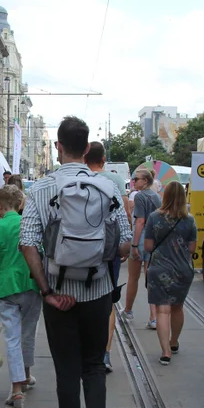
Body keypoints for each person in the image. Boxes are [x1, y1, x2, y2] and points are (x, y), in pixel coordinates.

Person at [19, 117, 132, 408]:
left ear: (57, 146)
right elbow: (126, 244)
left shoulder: (40, 189)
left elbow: (28, 243)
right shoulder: (109, 186)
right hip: (97, 293)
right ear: (87, 148)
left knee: (66, 372)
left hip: (59, 297)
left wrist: (48, 292)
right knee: (94, 366)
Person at [0, 185, 41, 408]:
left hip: (5, 289)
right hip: (31, 285)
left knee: (12, 338)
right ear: (20, 204)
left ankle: (16, 389)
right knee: (28, 334)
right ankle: (26, 375)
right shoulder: (29, 224)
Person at [143, 183, 198, 365]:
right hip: (183, 269)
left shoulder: (154, 217)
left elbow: (149, 247)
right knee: (177, 307)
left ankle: (165, 351)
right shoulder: (189, 220)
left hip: (159, 268)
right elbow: (192, 249)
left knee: (162, 309)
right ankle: (174, 342)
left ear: (165, 196)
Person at [84, 142, 127, 373]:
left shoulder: (78, 177)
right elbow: (124, 215)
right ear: (103, 160)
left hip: (79, 251)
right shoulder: (115, 181)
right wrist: (125, 246)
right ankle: (105, 353)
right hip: (109, 249)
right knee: (108, 302)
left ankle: (83, 350)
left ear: (84, 157)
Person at [121, 167, 160, 329]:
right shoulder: (157, 197)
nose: (133, 182)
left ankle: (128, 310)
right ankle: (153, 317)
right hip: (154, 239)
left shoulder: (140, 197)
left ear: (145, 181)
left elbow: (140, 222)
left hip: (141, 237)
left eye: (136, 179)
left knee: (133, 277)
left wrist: (134, 244)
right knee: (150, 279)